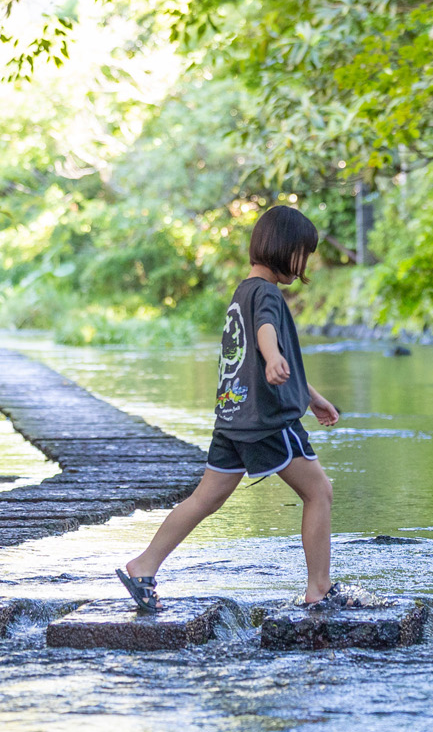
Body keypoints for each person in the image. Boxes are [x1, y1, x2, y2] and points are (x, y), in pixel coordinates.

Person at [116, 205, 344, 610]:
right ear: (284, 248)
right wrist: (273, 356)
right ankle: (319, 588)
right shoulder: (268, 294)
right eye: (302, 254)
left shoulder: (243, 292)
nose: (304, 263)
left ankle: (144, 563)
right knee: (319, 491)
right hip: (267, 421)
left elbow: (263, 356)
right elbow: (266, 334)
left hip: (233, 419)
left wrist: (312, 397)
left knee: (206, 498)